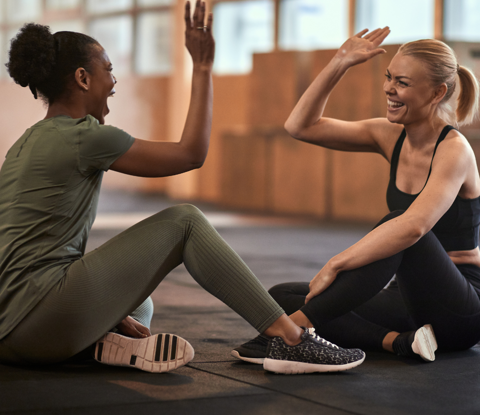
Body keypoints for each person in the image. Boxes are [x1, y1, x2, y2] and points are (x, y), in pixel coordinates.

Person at [0, 1, 365, 375]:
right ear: (82, 78)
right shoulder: (84, 138)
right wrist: (203, 67)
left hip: (10, 332)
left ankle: (97, 343)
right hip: (40, 319)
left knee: (140, 304)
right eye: (108, 70)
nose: (113, 81)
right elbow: (191, 154)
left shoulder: (24, 144)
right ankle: (290, 339)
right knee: (185, 221)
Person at [232, 28, 480, 364]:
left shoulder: (455, 151)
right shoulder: (388, 135)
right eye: (389, 77)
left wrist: (336, 264)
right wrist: (339, 62)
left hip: (460, 311)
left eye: (402, 83)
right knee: (283, 297)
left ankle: (293, 336)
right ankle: (400, 342)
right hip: (405, 301)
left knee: (399, 225)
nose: (389, 89)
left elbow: (414, 227)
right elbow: (300, 126)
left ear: (437, 92)